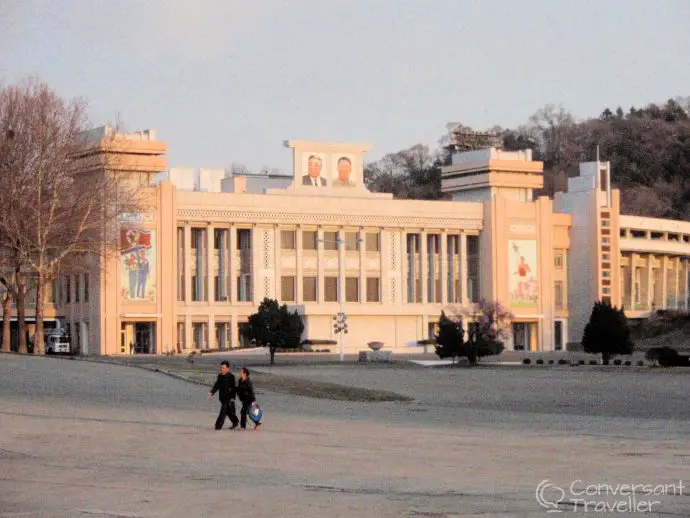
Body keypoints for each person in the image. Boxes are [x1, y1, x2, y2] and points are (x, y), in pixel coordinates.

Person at [207, 361, 239, 430]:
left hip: (228, 398)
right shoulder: (220, 376)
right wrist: (212, 392)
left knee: (223, 411)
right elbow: (217, 385)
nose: (222, 369)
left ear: (228, 368)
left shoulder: (231, 377)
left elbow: (234, 388)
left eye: (223, 368)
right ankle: (235, 421)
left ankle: (218, 426)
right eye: (221, 368)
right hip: (222, 397)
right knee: (228, 412)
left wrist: (233, 398)